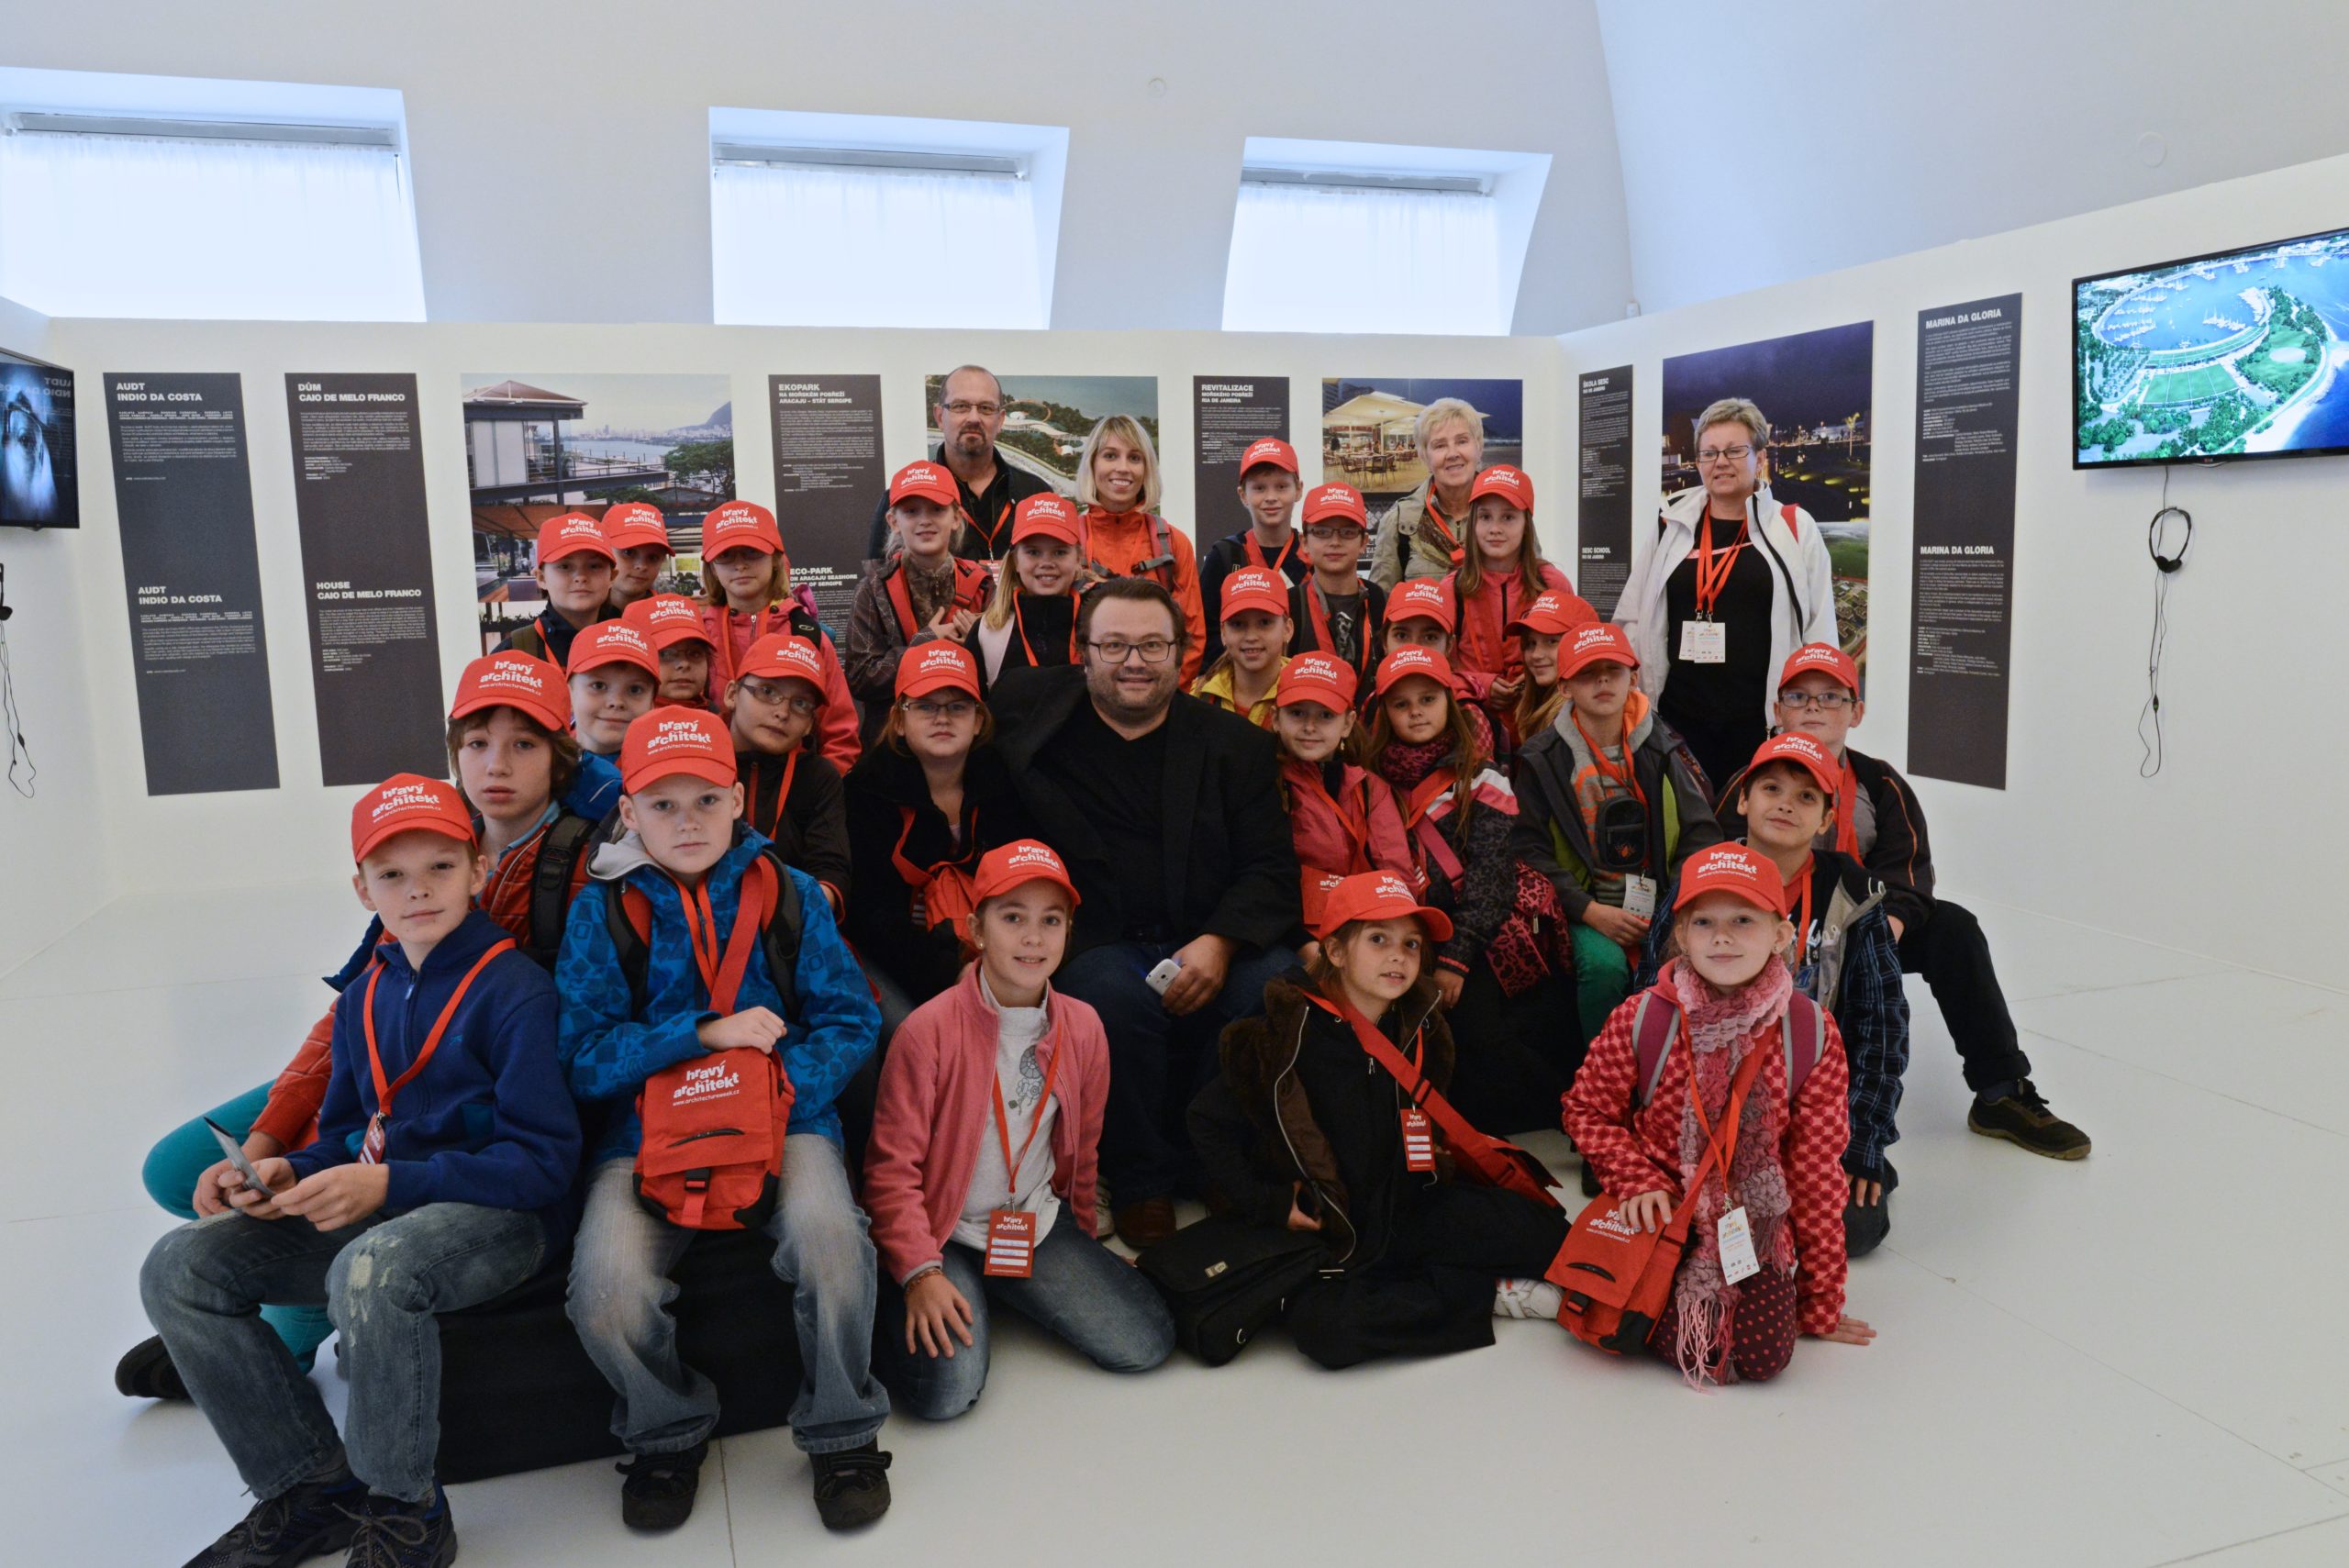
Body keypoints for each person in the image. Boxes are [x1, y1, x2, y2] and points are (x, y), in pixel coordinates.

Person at [115, 652, 603, 1407]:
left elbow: (565, 1032)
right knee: (182, 1171)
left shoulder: (583, 864)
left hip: (479, 1087)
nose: (497, 764)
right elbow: (357, 1003)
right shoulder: (421, 832)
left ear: (561, 753)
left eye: (525, 743)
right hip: (391, 1070)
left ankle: (283, 1333)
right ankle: (266, 1317)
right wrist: (270, 1141)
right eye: (477, 743)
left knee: (329, 1202)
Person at [140, 774, 581, 1567]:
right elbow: (348, 1134)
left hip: (501, 1219)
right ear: (362, 889)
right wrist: (284, 1172)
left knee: (369, 1267)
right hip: (391, 1205)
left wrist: (387, 1184)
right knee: (178, 1265)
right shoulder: (363, 997)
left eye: (441, 867)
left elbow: (543, 1164)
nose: (418, 890)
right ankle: (311, 1486)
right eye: (392, 874)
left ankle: (406, 1509)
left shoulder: (518, 991)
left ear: (478, 870)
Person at [558, 706, 893, 1533]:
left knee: (832, 1242)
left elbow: (851, 1017)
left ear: (739, 799)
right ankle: (665, 1429)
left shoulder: (790, 893)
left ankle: (843, 1427)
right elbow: (583, 1056)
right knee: (604, 1288)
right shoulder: (600, 910)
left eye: (707, 799)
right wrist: (699, 1035)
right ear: (628, 810)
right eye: (663, 804)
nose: (688, 821)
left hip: (785, 1114)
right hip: (644, 1132)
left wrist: (776, 1091)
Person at [988, 578, 1300, 1248]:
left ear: (1182, 653)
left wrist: (1220, 941)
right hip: (1100, 939)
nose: (1134, 662)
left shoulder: (1235, 747)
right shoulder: (1030, 721)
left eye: (1152, 646)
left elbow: (1272, 868)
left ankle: (1217, 1162)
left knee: (1274, 985)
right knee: (1109, 998)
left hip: (1206, 932)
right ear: (1083, 652)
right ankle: (1142, 1181)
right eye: (1115, 646)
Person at [1720, 642, 2090, 1158]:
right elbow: (1715, 864)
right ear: (1778, 709)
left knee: (1954, 929)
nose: (1813, 707)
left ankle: (2000, 1091)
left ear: (1856, 712)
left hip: (1862, 929)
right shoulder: (1751, 781)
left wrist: (1878, 935)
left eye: (1831, 697)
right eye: (1798, 697)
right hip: (1768, 935)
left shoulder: (1880, 783)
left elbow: (1909, 872)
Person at [1189, 871, 1571, 1369]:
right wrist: (1269, 1203)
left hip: (1407, 1208)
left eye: (1411, 944)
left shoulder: (1424, 1023)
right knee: (1328, 1331)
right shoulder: (1277, 1036)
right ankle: (1485, 1294)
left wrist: (1435, 1167)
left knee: (1551, 1235)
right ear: (1335, 952)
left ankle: (1426, 1277)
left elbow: (1428, 1123)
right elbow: (1206, 1123)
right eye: (1378, 940)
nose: (1399, 956)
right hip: (1331, 1233)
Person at [864, 839, 1174, 1418]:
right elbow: (889, 1172)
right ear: (976, 931)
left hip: (1028, 1218)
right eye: (1013, 918)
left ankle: (999, 1282)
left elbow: (1083, 1153)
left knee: (1146, 1344)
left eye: (1050, 921)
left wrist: (1084, 1246)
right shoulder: (926, 1032)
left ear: (1067, 933)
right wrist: (919, 1272)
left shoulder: (1084, 1027)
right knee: (946, 1395)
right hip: (944, 1229)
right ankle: (915, 1286)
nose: (1034, 937)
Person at [1564, 843, 1873, 1385]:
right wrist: (1636, 1180)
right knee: (1646, 1332)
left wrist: (1820, 1298)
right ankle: (1599, 1301)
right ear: (1682, 935)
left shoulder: (1811, 1031)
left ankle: (1630, 1308)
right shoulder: (1643, 1016)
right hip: (1656, 1211)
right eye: (1703, 922)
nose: (1721, 937)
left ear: (1781, 934)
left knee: (1762, 1357)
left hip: (1749, 1227)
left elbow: (1816, 1172)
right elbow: (1586, 1109)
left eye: (1743, 920)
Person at [1680, 732, 1907, 1257]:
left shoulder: (1854, 894)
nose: (1785, 803)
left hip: (1812, 1107)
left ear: (1826, 820)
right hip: (1708, 1102)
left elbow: (1883, 1023)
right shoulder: (1701, 877)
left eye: (1806, 797)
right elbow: (1655, 992)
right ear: (1743, 800)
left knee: (1853, 1229)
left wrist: (1864, 1142)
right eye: (1771, 788)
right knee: (1681, 1217)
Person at [1365, 645, 1576, 1133]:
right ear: (1383, 713)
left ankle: (1575, 1112)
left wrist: (1457, 958)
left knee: (1479, 1034)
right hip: (1407, 931)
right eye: (1401, 704)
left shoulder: (1482, 777)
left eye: (1428, 699)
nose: (1416, 712)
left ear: (1450, 703)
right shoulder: (1372, 783)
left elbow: (1491, 875)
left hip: (1473, 934)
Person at [1512, 623, 1722, 1060]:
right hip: (1585, 908)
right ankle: (1603, 1077)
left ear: (1634, 677)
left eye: (1614, 670)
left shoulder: (1664, 747)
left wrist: (1676, 909)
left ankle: (1669, 1076)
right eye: (1588, 673)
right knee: (1604, 968)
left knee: (1687, 964)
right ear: (1565, 686)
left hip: (1664, 903)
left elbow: (1700, 833)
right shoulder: (1541, 759)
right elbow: (1530, 850)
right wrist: (1589, 911)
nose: (1603, 681)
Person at [1614, 396, 1839, 788]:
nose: (1721, 462)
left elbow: (1819, 633)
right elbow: (1633, 616)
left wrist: (1812, 721)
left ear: (1760, 457)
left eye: (1735, 450)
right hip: (1677, 723)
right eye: (1709, 453)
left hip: (1760, 725)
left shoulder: (1794, 528)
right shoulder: (1670, 526)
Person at [845, 642, 1033, 1031]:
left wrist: (997, 964)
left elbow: (1024, 884)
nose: (942, 718)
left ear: (978, 720)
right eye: (926, 706)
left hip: (994, 950)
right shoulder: (865, 791)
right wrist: (951, 972)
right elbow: (870, 915)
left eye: (957, 707)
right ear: (899, 720)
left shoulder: (1004, 782)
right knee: (910, 1028)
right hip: (895, 955)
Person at [697, 498, 861, 772]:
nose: (740, 565)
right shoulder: (698, 636)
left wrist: (821, 787)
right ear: (712, 566)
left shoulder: (806, 635)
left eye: (751, 552)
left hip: (793, 785)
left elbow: (840, 732)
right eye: (725, 555)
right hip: (712, 782)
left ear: (775, 559)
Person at [1271, 652, 1421, 936]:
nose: (1310, 727)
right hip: (1285, 931)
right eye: (1297, 713)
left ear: (1348, 724)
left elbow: (1397, 876)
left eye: (1326, 715)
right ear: (1276, 718)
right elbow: (1260, 878)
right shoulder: (1264, 781)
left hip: (1358, 928)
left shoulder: (1369, 787)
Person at [846, 461, 994, 744]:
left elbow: (1002, 677)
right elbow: (860, 678)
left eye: (937, 509)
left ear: (956, 518)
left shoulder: (985, 586)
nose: (925, 521)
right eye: (911, 511)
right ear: (893, 521)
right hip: (892, 744)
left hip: (968, 743)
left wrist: (982, 642)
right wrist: (924, 643)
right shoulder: (872, 590)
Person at [863, 365, 1054, 562]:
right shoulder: (900, 501)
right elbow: (880, 578)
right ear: (939, 416)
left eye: (986, 408)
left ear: (1000, 420)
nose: (974, 418)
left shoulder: (1035, 493)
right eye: (960, 406)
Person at [1074, 414, 1208, 684]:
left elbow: (1191, 636)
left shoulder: (1174, 543)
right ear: (1092, 464)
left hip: (1157, 695)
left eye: (1135, 458)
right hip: (1086, 695)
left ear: (1147, 469)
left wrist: (1161, 696)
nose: (1123, 468)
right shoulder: (1068, 541)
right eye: (1110, 456)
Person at [728, 634, 852, 916]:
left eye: (800, 704)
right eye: (767, 691)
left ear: (810, 725)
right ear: (732, 694)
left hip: (792, 921)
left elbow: (831, 871)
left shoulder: (819, 776)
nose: (782, 712)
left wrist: (789, 917)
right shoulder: (699, 757)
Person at [1447, 464, 1589, 701]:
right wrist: (1480, 685)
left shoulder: (1552, 584)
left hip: (1541, 712)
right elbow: (1435, 668)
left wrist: (1538, 678)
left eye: (1508, 517)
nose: (1495, 529)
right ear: (1473, 523)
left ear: (1526, 526)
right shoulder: (1453, 588)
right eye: (1485, 517)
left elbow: (1580, 656)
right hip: (1472, 716)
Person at [1199, 436, 1309, 665]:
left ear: (1298, 490)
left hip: (1302, 681)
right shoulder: (1225, 556)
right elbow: (1206, 634)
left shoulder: (1312, 555)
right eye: (1259, 488)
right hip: (1238, 681)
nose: (1271, 498)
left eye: (1282, 487)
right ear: (1243, 495)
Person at [968, 492, 1085, 687]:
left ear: (1078, 558)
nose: (1046, 563)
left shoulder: (1099, 625)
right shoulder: (988, 632)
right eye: (1033, 552)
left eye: (1059, 552)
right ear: (1015, 560)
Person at [1369, 396, 1485, 590]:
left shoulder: (1507, 514)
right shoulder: (1399, 521)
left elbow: (1532, 590)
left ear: (1479, 447)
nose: (1452, 453)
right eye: (1440, 445)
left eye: (1462, 441)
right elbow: (1381, 602)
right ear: (1424, 456)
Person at [1286, 482, 1386, 687]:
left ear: (1364, 542)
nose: (1335, 542)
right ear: (1304, 542)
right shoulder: (1288, 606)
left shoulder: (1383, 603)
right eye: (1322, 532)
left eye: (1347, 532)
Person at [502, 510, 619, 668]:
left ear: (612, 577)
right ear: (541, 578)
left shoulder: (630, 645)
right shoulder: (511, 656)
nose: (581, 577)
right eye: (565, 566)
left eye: (594, 566)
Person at [1191, 566, 1291, 727]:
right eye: (1238, 624)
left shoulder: (1310, 695)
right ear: (1223, 632)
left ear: (1287, 629)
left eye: (1264, 622)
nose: (1251, 637)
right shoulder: (1196, 696)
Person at [566, 619, 661, 759]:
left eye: (635, 689)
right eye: (598, 686)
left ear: (652, 703)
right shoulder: (545, 759)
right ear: (568, 695)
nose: (616, 702)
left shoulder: (667, 768)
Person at [1505, 588, 1584, 742]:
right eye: (1531, 643)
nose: (1536, 655)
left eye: (1552, 641)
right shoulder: (1533, 704)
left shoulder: (1578, 721)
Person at [626, 591, 718, 711]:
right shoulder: (621, 718)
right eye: (665, 654)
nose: (684, 664)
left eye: (695, 654)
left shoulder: (715, 714)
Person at [602, 501, 674, 609]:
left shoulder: (671, 616)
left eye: (653, 558)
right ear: (604, 552)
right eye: (628, 552)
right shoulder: (579, 614)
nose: (642, 566)